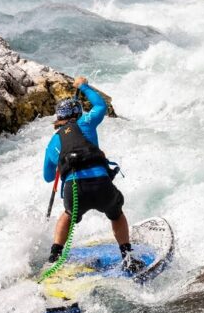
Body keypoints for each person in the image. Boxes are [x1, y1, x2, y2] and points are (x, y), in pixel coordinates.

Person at [42, 76, 144, 273]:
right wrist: (83, 86)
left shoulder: (52, 143)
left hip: (74, 190)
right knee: (116, 214)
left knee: (68, 215)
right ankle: (127, 255)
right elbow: (101, 105)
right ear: (79, 113)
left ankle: (54, 257)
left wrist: (59, 164)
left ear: (59, 118)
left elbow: (47, 177)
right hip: (101, 185)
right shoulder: (87, 122)